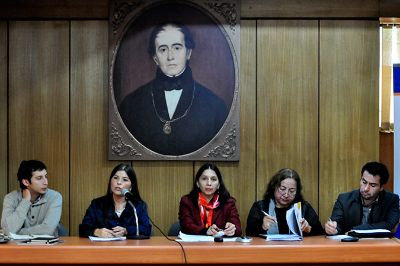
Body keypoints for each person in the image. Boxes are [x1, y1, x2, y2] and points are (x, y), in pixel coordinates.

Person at [118, 22, 229, 156]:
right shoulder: (130, 105)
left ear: (188, 52)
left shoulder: (215, 108)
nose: (170, 57)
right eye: (163, 49)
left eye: (176, 48)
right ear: (155, 58)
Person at [325, 161, 399, 235]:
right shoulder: (344, 199)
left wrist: (355, 230)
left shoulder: (392, 200)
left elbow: (388, 224)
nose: (366, 188)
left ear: (381, 187)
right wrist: (333, 229)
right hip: (349, 245)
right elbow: (337, 224)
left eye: (372, 185)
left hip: (378, 244)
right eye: (364, 182)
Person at [79, 163, 151, 238]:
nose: (119, 182)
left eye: (125, 180)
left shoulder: (138, 206)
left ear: (131, 187)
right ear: (110, 181)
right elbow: (83, 228)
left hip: (129, 248)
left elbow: (147, 229)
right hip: (103, 248)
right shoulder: (97, 204)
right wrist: (96, 232)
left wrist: (127, 230)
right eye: (115, 178)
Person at [246, 168, 324, 237]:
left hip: (296, 251)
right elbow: (249, 234)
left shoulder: (303, 207)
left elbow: (320, 233)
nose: (286, 194)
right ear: (274, 187)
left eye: (292, 191)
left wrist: (309, 229)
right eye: (282, 189)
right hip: (268, 251)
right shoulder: (260, 207)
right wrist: (262, 227)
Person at [1, 160, 62, 236]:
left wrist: (17, 233)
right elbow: (8, 230)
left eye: (45, 176)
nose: (46, 182)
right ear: (26, 182)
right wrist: (25, 201)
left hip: (47, 246)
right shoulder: (10, 198)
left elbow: (47, 230)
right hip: (18, 246)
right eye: (39, 178)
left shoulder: (55, 197)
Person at [178, 163, 242, 236]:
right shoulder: (187, 201)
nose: (209, 183)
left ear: (218, 185)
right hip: (194, 245)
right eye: (204, 179)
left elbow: (238, 229)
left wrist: (233, 229)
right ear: (197, 183)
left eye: (213, 179)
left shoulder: (228, 203)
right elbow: (186, 226)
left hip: (220, 246)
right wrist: (205, 231)